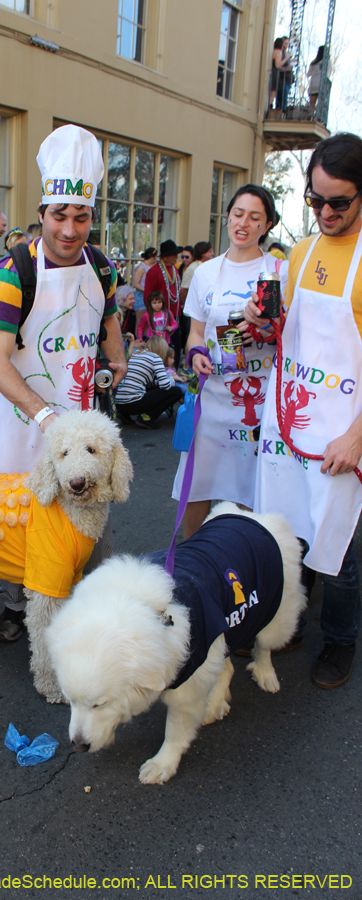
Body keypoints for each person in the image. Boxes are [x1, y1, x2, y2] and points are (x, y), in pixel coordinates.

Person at [0, 124, 127, 641]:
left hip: (82, 421)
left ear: (91, 217)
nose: (69, 229)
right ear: (41, 215)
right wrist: (44, 415)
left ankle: (82, 604)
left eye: (81, 217)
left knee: (86, 524)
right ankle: (17, 605)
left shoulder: (102, 267)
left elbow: (110, 320)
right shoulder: (9, 273)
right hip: (25, 425)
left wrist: (118, 358)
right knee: (21, 521)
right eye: (59, 216)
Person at [247, 133, 362, 689]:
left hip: (345, 435)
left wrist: (358, 437)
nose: (324, 213)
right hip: (292, 426)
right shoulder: (299, 253)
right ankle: (289, 618)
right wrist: (260, 321)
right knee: (290, 531)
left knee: (339, 550)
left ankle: (340, 640)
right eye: (314, 200)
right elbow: (286, 335)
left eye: (338, 202)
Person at [172, 184, 285, 540]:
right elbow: (195, 332)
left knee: (251, 489)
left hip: (260, 401)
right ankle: (190, 561)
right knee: (196, 489)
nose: (244, 224)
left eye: (255, 218)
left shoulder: (279, 271)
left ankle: (246, 562)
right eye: (238, 214)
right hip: (213, 399)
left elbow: (290, 331)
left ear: (266, 225)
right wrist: (195, 354)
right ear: (227, 217)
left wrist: (267, 331)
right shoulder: (207, 272)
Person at [115, 335, 184, 429]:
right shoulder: (155, 358)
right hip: (134, 403)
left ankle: (124, 414)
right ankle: (146, 417)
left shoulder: (135, 353)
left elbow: (146, 382)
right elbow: (165, 386)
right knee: (176, 391)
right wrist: (173, 378)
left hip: (119, 403)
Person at [144, 239, 182, 361]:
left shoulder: (174, 269)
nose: (177, 257)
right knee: (160, 349)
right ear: (164, 257)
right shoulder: (153, 272)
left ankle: (174, 371)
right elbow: (147, 296)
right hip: (159, 320)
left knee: (176, 346)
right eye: (173, 255)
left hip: (174, 317)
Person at [179, 241, 215, 353]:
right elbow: (184, 289)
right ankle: (187, 363)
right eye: (210, 251)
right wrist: (185, 303)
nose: (213, 253)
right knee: (191, 335)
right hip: (193, 310)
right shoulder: (193, 268)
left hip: (205, 309)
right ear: (203, 254)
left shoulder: (208, 266)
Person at [131, 247, 157, 322]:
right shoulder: (141, 268)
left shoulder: (151, 267)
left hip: (149, 297)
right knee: (140, 322)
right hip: (141, 298)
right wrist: (147, 290)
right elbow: (135, 284)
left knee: (147, 322)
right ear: (153, 257)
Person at [270, 36, 293, 113]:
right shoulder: (279, 52)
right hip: (277, 74)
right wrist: (286, 58)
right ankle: (275, 109)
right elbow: (278, 65)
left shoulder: (274, 51)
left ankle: (272, 107)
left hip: (277, 74)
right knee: (274, 93)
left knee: (273, 93)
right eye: (284, 44)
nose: (285, 46)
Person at [308, 45, 332, 117]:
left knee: (312, 102)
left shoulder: (314, 62)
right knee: (321, 102)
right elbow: (328, 73)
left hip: (313, 83)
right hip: (321, 83)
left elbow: (308, 74)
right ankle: (318, 118)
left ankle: (310, 116)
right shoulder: (328, 61)